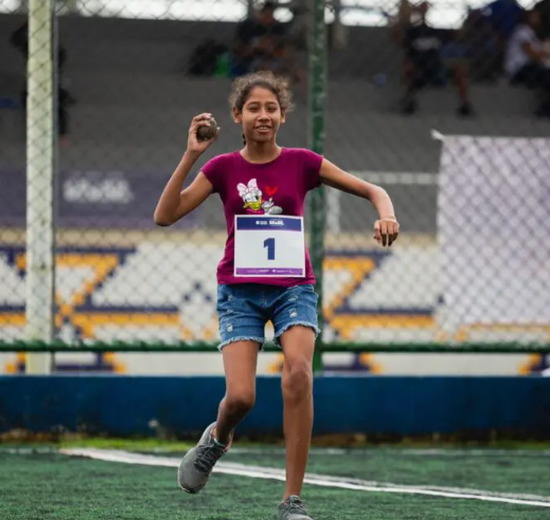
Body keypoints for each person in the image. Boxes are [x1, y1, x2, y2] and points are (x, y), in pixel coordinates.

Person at [153, 71, 399, 520]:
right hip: (239, 292)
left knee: (298, 375)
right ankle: (218, 438)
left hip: (293, 288)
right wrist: (191, 154)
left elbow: (372, 190)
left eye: (271, 108)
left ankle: (292, 500)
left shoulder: (303, 162)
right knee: (241, 398)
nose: (262, 115)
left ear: (282, 116)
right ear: (237, 116)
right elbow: (165, 215)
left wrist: (386, 213)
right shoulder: (223, 168)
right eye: (253, 108)